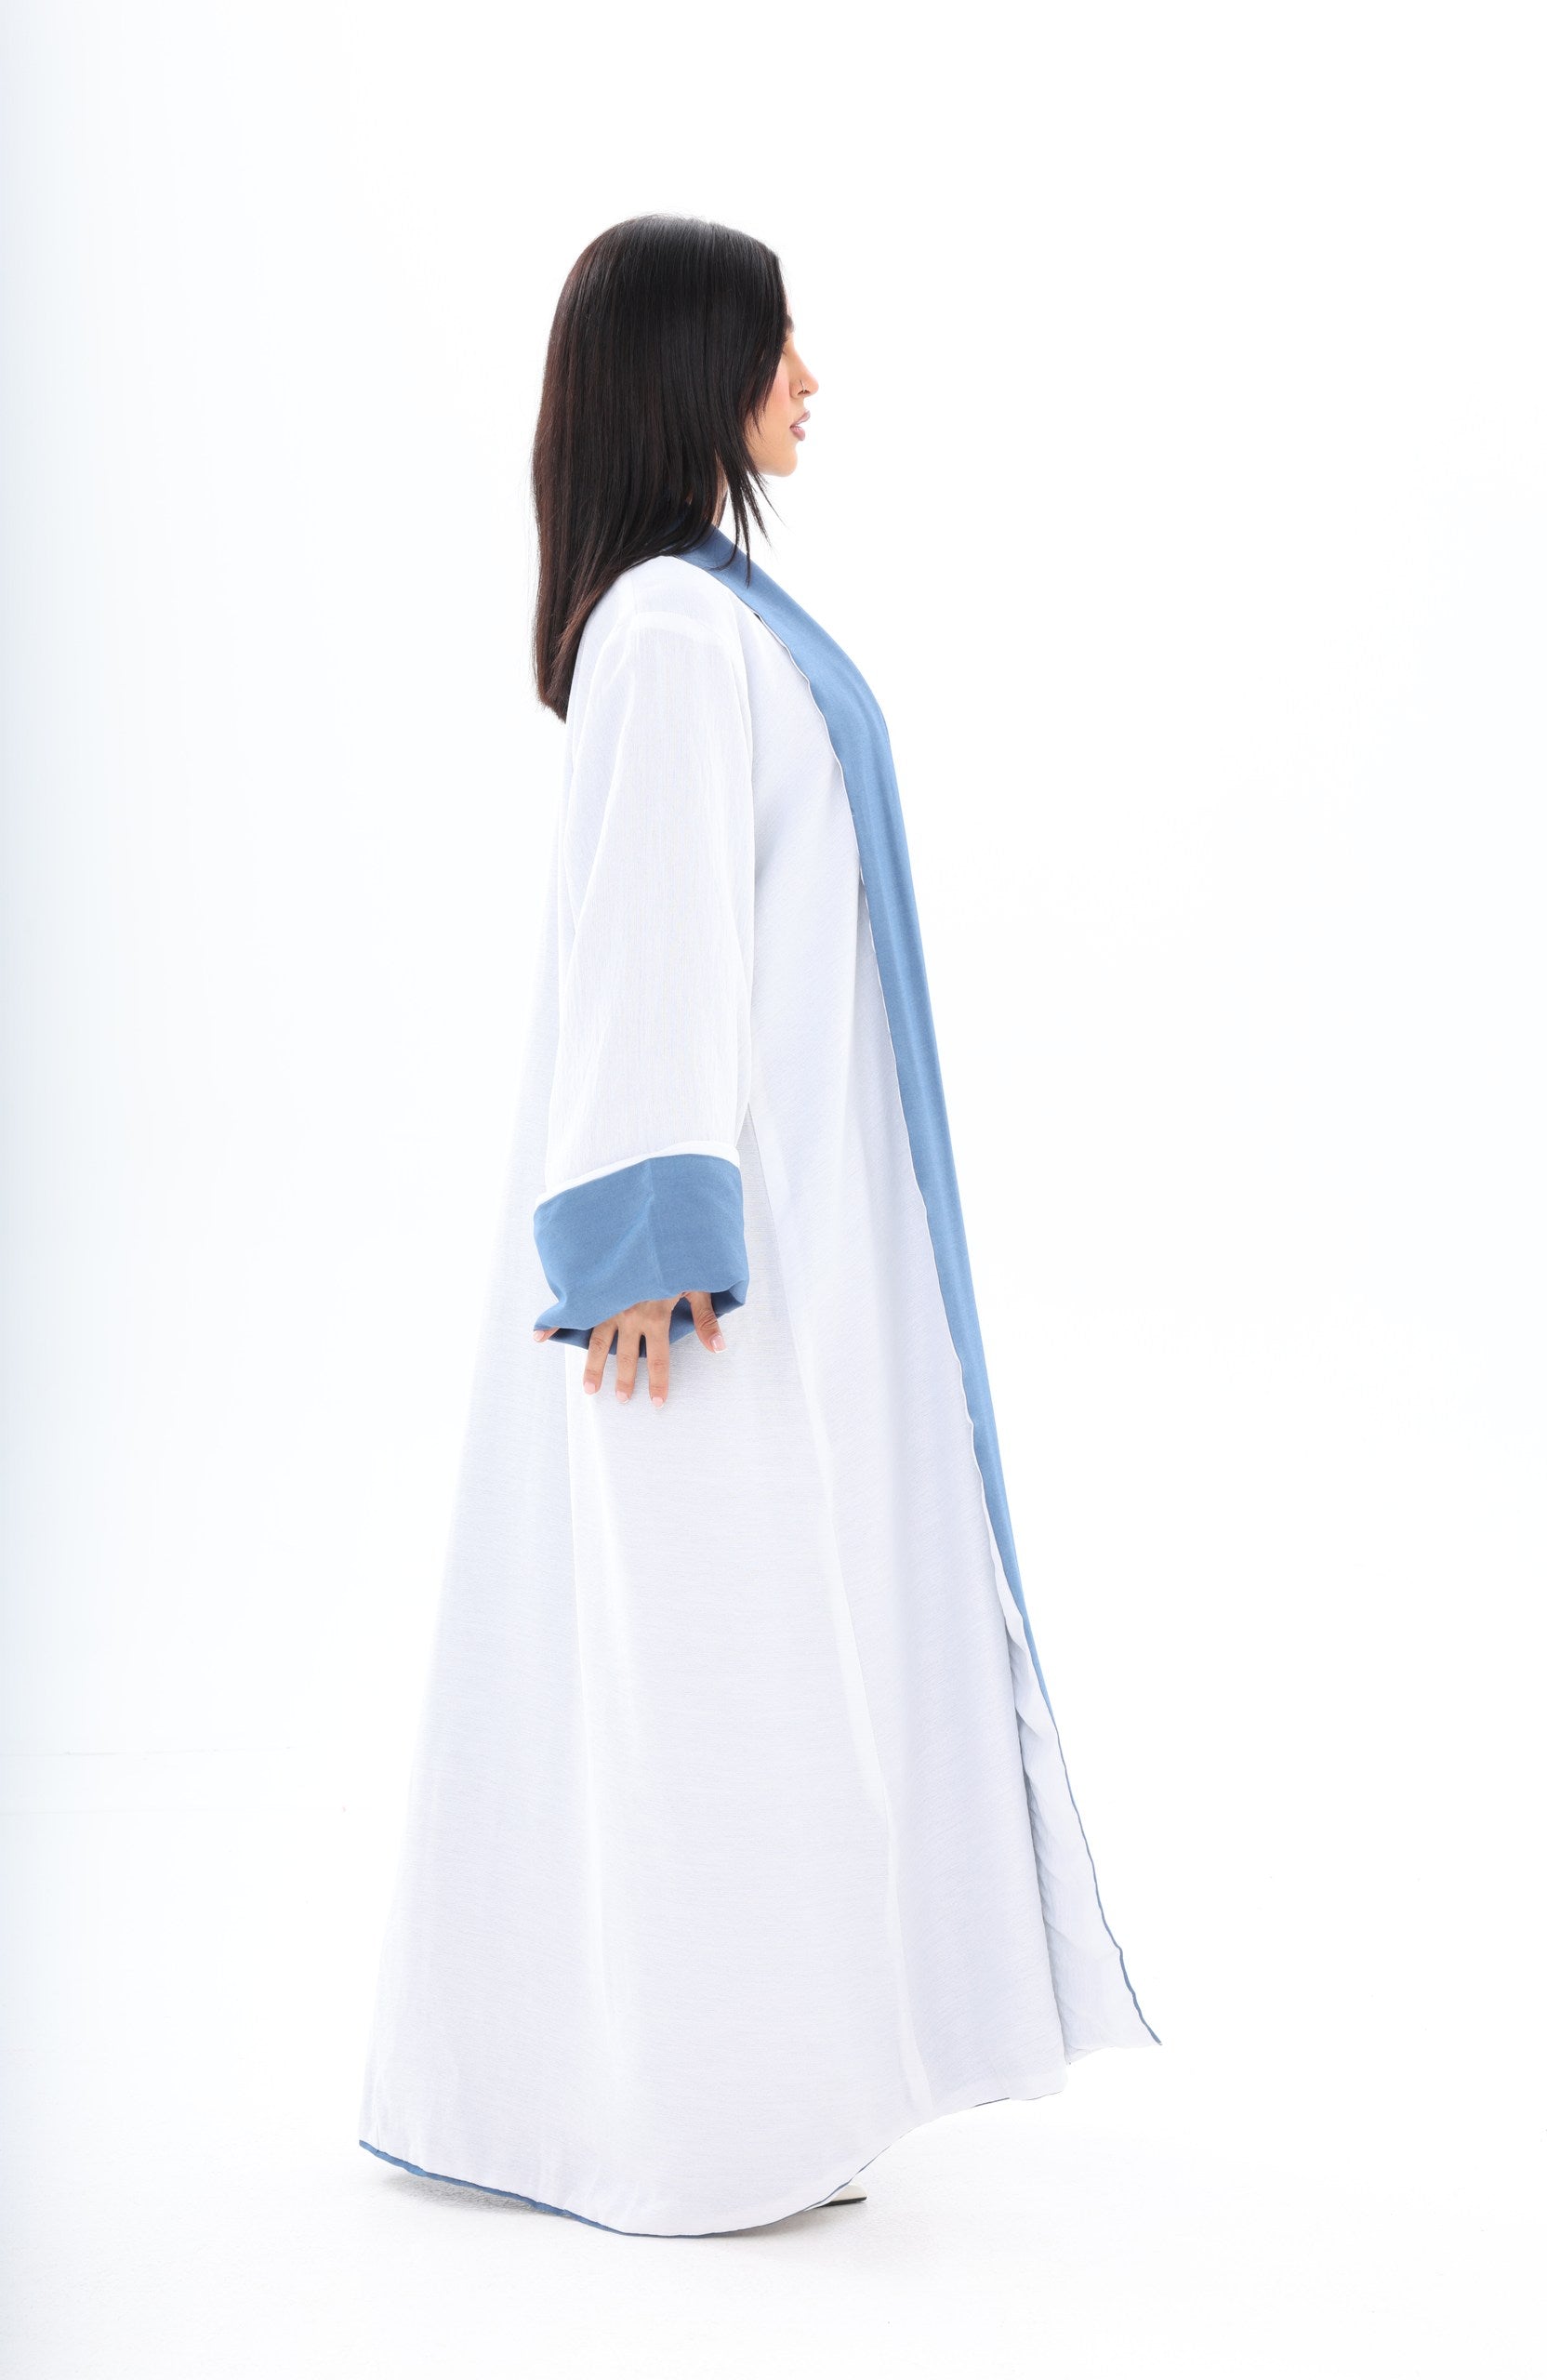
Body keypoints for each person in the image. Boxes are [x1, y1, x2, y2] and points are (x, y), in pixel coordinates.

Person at [357, 213, 1158, 2240]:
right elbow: (654, 932)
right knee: (715, 1669)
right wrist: (644, 1238)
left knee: (780, 1657)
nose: (809, 375)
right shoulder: (666, 631)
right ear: (689, 371)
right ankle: (695, 2124)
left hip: (780, 1244)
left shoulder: (708, 618)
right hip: (700, 1282)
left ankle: (773, 2086)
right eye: (775, 339)